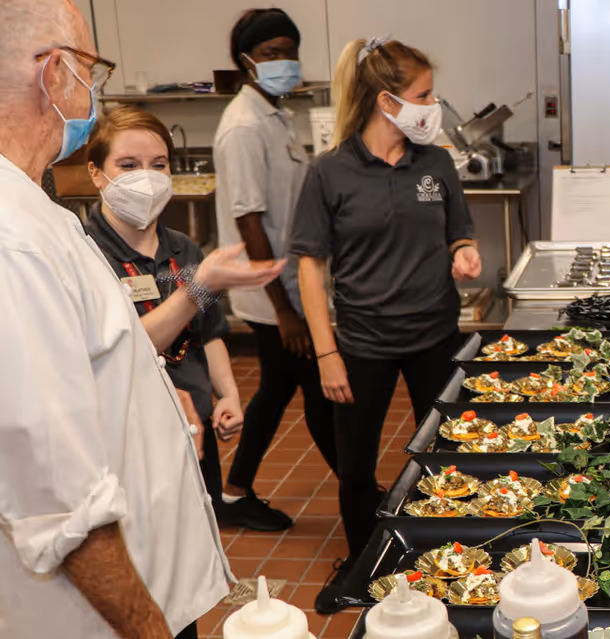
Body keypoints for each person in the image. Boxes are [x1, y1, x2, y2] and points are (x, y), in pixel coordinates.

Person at [0, 2, 284, 637]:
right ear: (53, 74)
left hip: (142, 579)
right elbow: (58, 502)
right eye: (91, 72)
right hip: (101, 614)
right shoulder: (13, 239)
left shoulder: (40, 214)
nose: (94, 93)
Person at [291, 36, 482, 613]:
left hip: (434, 336)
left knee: (446, 455)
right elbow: (310, 265)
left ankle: (446, 557)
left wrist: (465, 252)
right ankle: (363, 569)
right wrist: (326, 353)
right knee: (356, 469)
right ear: (386, 102)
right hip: (362, 346)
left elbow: (460, 230)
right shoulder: (330, 171)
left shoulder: (437, 161)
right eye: (425, 95)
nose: (435, 104)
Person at [84, 105, 246, 521]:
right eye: (128, 165)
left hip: (197, 427)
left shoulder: (183, 250)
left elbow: (208, 333)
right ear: (95, 174)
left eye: (158, 165)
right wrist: (196, 289)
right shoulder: (85, 255)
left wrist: (227, 395)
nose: (146, 178)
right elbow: (126, 347)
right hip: (129, 437)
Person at [214, 8, 338, 532]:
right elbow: (249, 219)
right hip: (271, 294)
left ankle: (235, 490)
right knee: (314, 387)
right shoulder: (243, 126)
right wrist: (284, 309)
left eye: (289, 50)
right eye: (270, 54)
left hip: (287, 285)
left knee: (281, 388)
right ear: (245, 62)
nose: (283, 61)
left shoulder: (276, 115)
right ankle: (363, 490)